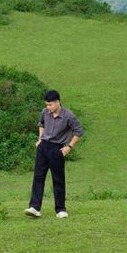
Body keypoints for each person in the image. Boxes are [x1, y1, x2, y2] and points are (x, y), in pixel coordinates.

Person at [26, 89, 83, 218]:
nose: (48, 107)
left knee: (58, 179)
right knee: (38, 177)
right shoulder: (45, 112)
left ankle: (60, 209)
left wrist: (69, 146)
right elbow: (41, 124)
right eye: (46, 105)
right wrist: (40, 139)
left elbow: (78, 131)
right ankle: (35, 207)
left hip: (57, 149)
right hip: (43, 147)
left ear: (58, 102)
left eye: (50, 104)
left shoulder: (69, 116)